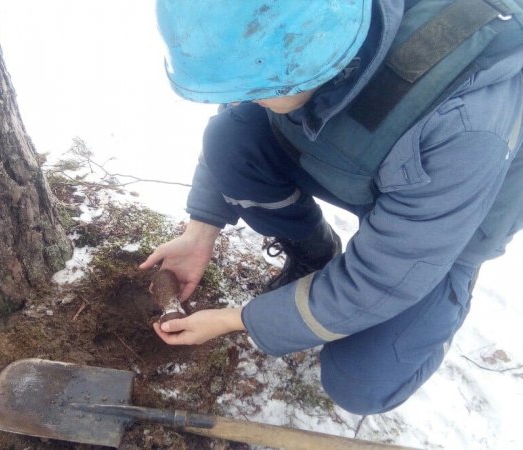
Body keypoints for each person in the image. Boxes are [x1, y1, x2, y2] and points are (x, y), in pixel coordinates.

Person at [140, 0, 523, 414]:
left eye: (255, 89)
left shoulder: (465, 126)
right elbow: (239, 115)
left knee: (363, 382)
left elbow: (384, 278)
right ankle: (315, 255)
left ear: (312, 54)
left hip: (448, 220)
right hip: (360, 162)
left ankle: (438, 307)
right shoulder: (294, 35)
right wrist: (199, 231)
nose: (242, 98)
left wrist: (239, 319)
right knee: (231, 138)